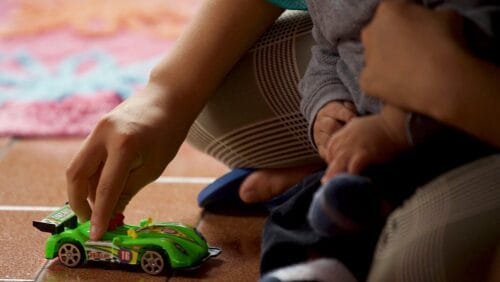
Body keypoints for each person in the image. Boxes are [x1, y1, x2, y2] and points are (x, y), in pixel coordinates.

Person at [261, 1, 500, 281]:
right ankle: (313, 270)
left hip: (453, 135)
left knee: (390, 218)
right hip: (370, 141)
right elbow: (326, 54)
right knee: (297, 210)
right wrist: (325, 105)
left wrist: (392, 126)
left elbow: (483, 35)